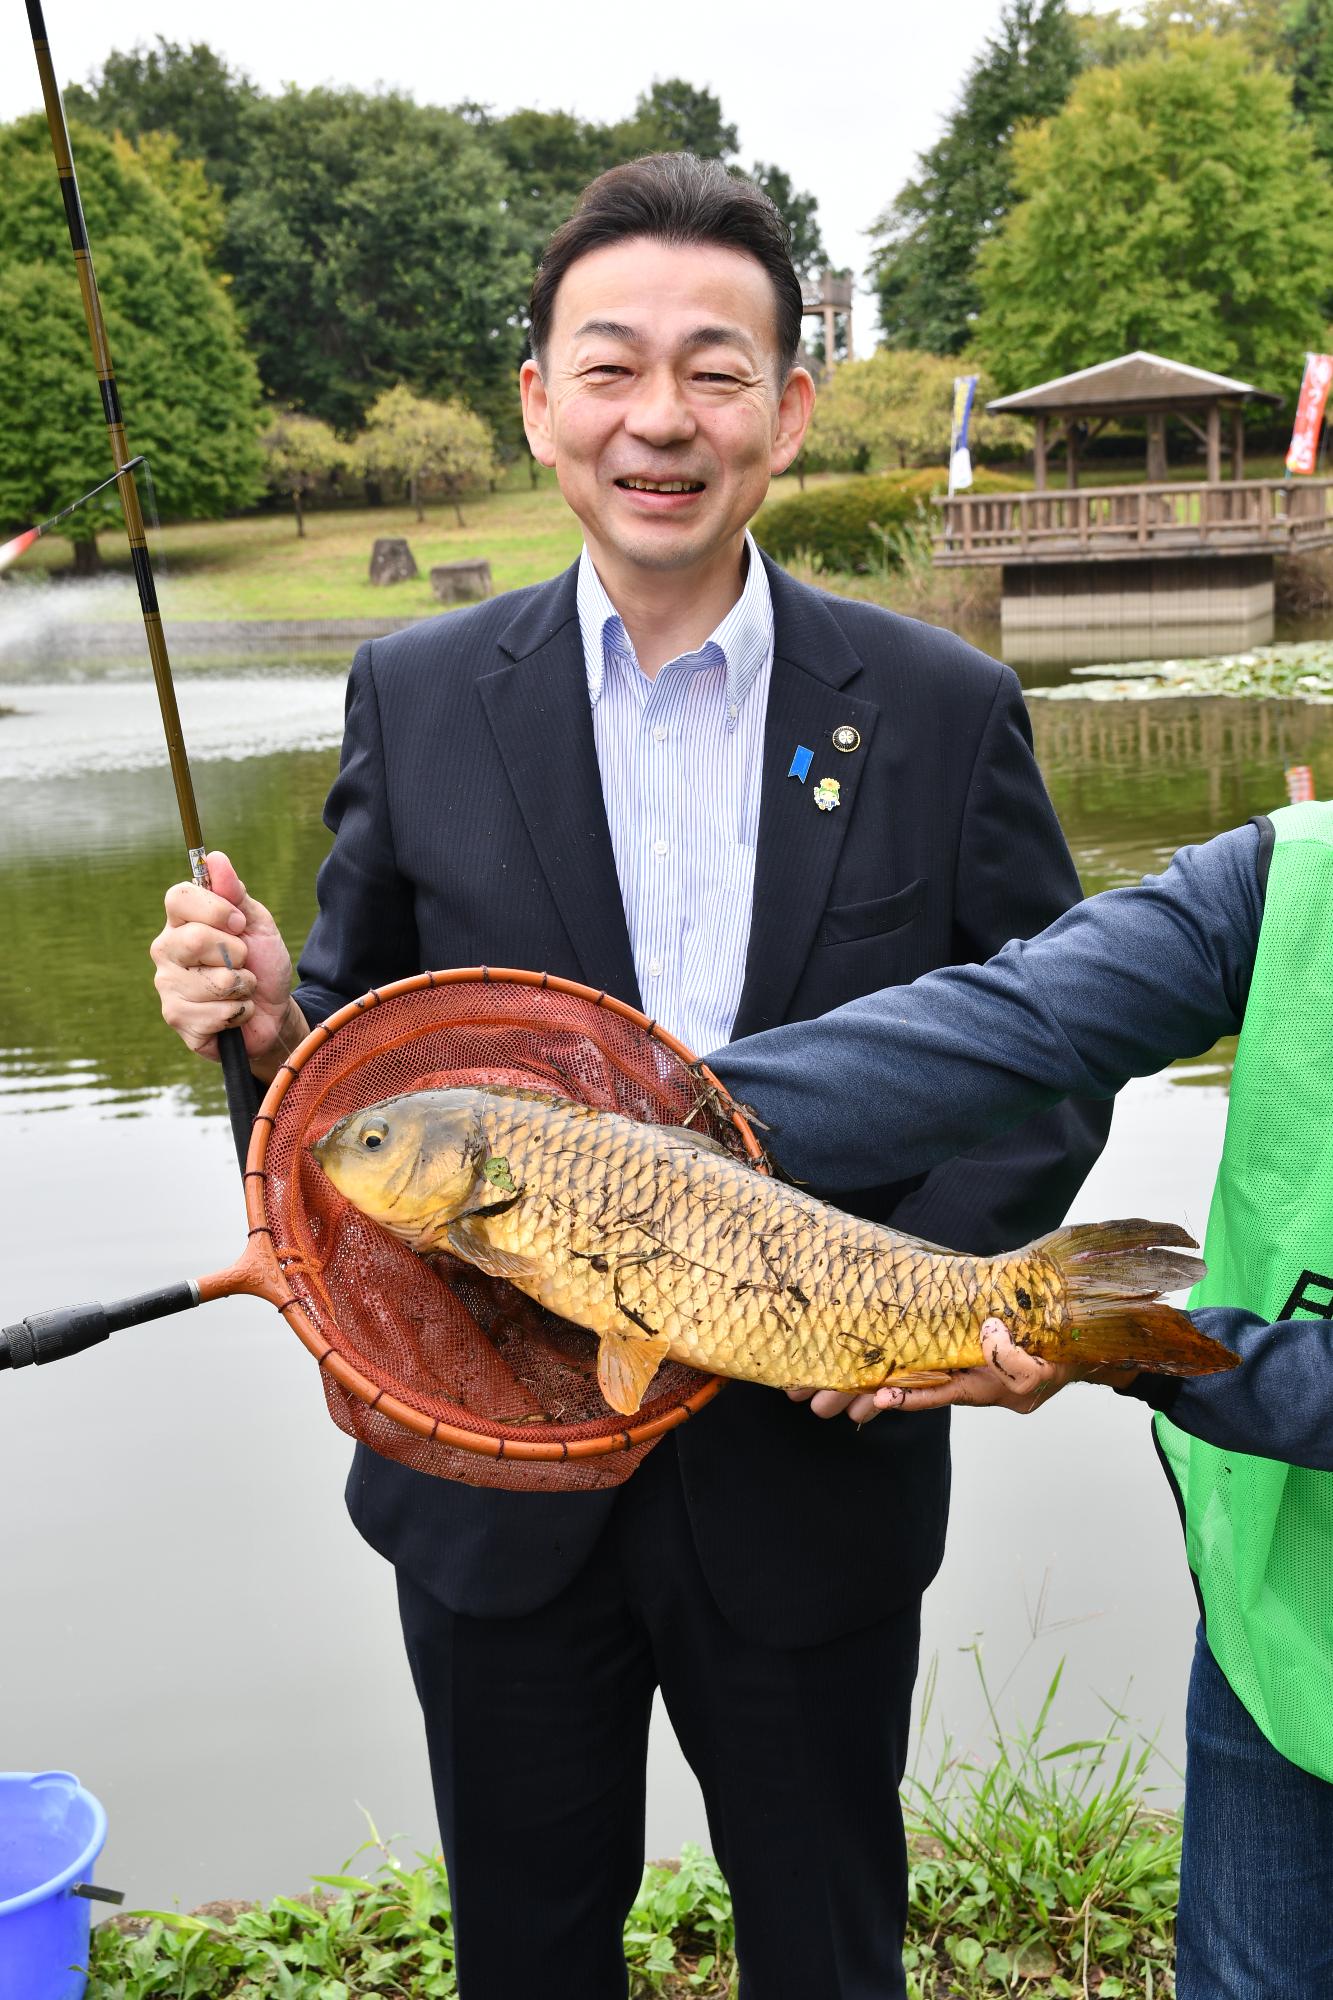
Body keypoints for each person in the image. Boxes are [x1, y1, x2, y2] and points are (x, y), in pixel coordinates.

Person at [150, 153, 1106, 1999]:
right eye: (607, 364)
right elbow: (351, 1074)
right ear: (536, 402)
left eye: (713, 366)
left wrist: (925, 1320)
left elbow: (1051, 1057)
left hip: (810, 1479)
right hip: (497, 1485)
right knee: (525, 1955)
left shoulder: (933, 710)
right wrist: (267, 1021)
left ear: (789, 406)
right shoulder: (416, 694)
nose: (656, 418)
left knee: (830, 1953)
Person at [712, 802, 1333, 1999]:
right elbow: (1012, 1025)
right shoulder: (1295, 875)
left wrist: (1130, 1345)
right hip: (1282, 1632)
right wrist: (646, 1110)